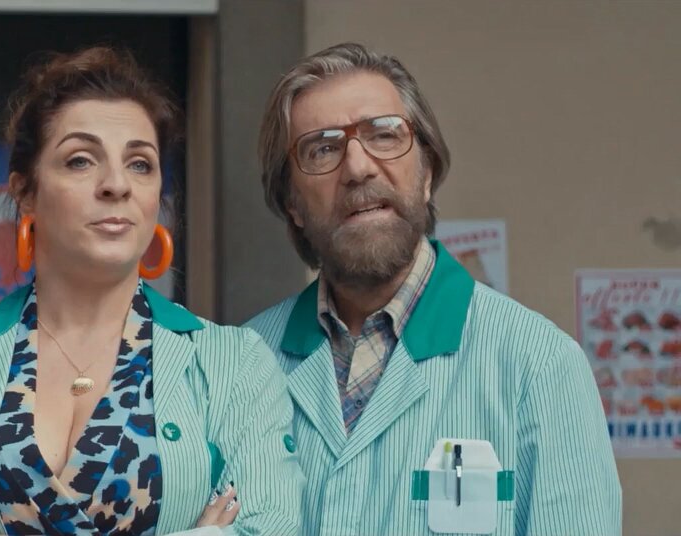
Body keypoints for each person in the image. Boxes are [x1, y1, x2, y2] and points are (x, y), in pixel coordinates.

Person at [0, 47, 303, 536]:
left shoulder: (236, 365)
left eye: (140, 164)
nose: (116, 185)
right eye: (81, 160)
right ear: (25, 191)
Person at [245, 42, 622, 534]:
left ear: (426, 173)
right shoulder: (244, 364)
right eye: (323, 148)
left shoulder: (540, 366)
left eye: (384, 134)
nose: (357, 168)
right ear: (293, 203)